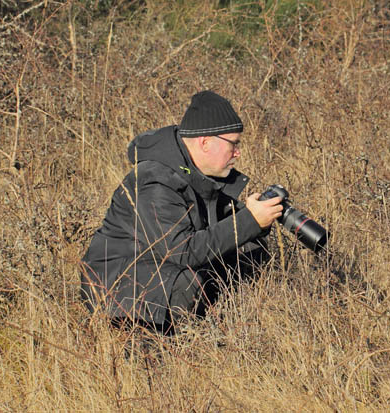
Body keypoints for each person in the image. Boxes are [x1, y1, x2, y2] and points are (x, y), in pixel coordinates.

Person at [80, 90, 283, 334]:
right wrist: (247, 221)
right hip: (115, 284)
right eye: (234, 144)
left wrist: (253, 220)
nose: (238, 152)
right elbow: (182, 251)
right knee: (187, 283)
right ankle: (150, 348)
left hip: (153, 268)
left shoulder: (193, 171)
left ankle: (221, 332)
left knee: (250, 251)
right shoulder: (154, 180)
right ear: (205, 142)